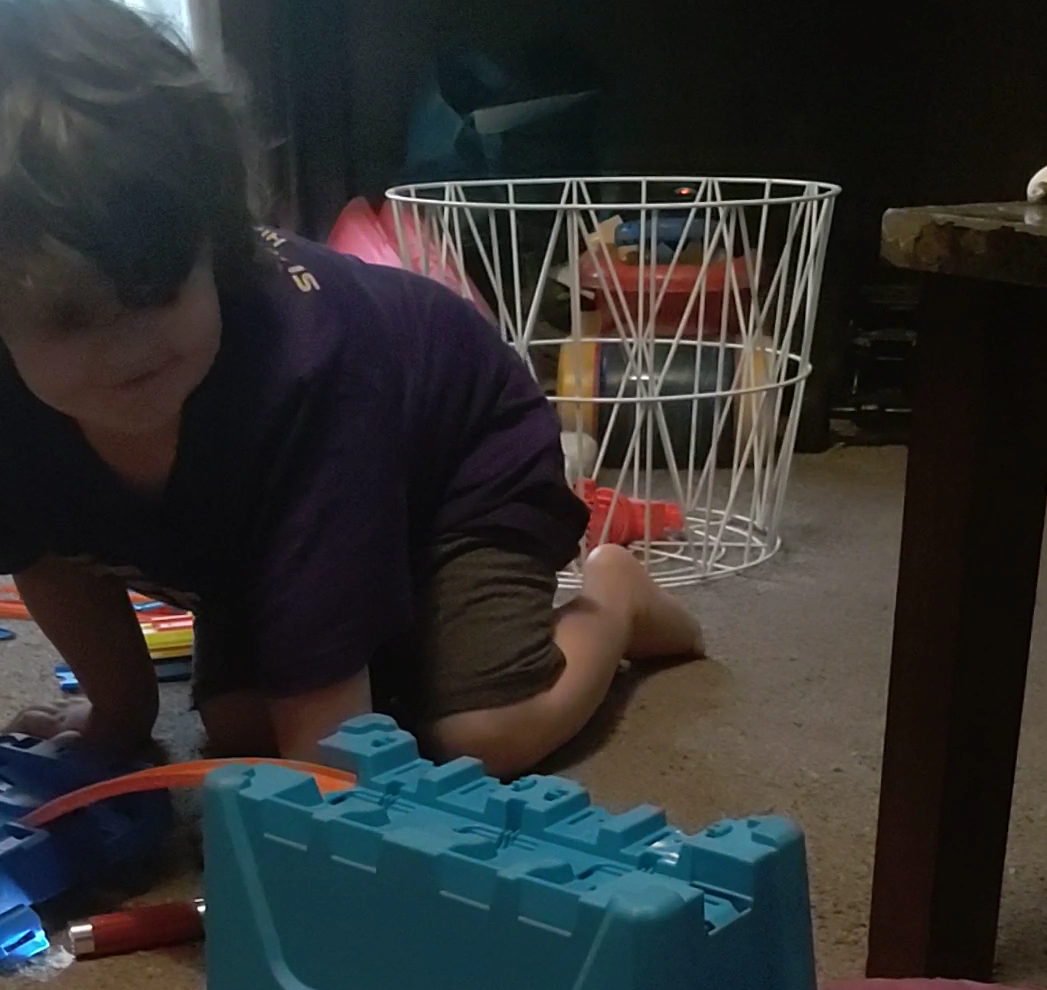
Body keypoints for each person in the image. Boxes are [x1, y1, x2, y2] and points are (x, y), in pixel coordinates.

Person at [0, 0, 702, 778]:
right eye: (70, 317)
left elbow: (329, 762)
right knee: (239, 728)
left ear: (214, 241)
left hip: (459, 465)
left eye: (159, 287)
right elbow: (47, 551)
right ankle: (397, 632)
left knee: (477, 735)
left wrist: (327, 807)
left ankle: (615, 598)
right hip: (270, 530)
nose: (131, 343)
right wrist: (118, 715)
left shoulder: (302, 373)